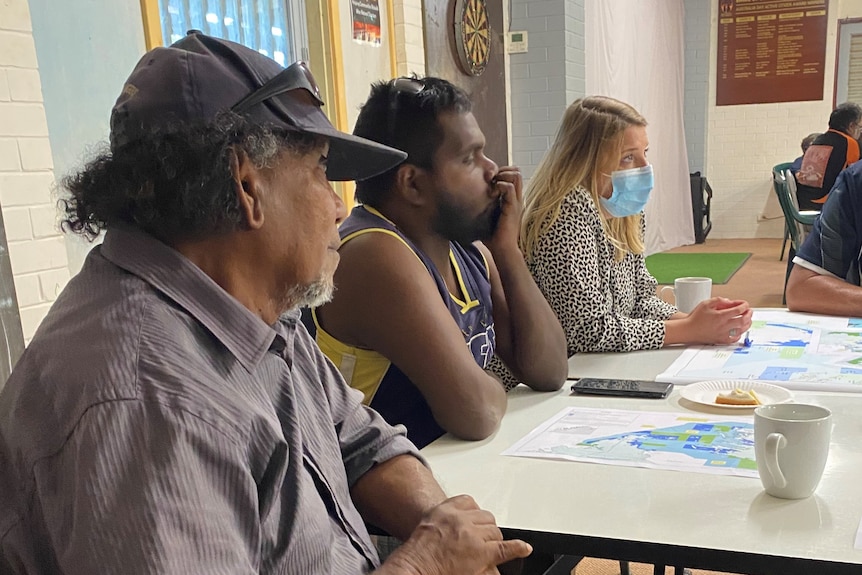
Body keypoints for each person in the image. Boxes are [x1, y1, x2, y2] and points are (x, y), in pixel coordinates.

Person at [0, 32, 533, 574]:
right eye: (322, 170)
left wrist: (449, 532)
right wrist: (426, 564)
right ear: (247, 185)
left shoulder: (256, 305)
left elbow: (362, 442)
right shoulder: (146, 403)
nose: (337, 205)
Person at [309, 76, 567, 449]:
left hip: (441, 474)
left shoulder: (469, 250)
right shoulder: (373, 253)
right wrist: (485, 387)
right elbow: (476, 412)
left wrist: (507, 252)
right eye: (468, 158)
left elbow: (550, 370)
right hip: (368, 493)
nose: (493, 170)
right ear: (412, 184)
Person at [519, 96, 752, 355]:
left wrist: (693, 320)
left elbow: (641, 299)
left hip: (597, 363)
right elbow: (585, 331)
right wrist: (691, 329)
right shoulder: (565, 211)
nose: (645, 167)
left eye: (645, 153)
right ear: (585, 161)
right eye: (628, 157)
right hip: (551, 375)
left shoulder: (625, 212)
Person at [785, 160, 862, 316]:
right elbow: (801, 290)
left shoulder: (807, 154)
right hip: (823, 202)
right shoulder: (850, 148)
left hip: (808, 203)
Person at [795, 102, 862, 210]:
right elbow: (854, 176)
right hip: (825, 205)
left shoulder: (818, 140)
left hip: (804, 202)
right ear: (851, 126)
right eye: (860, 127)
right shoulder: (849, 143)